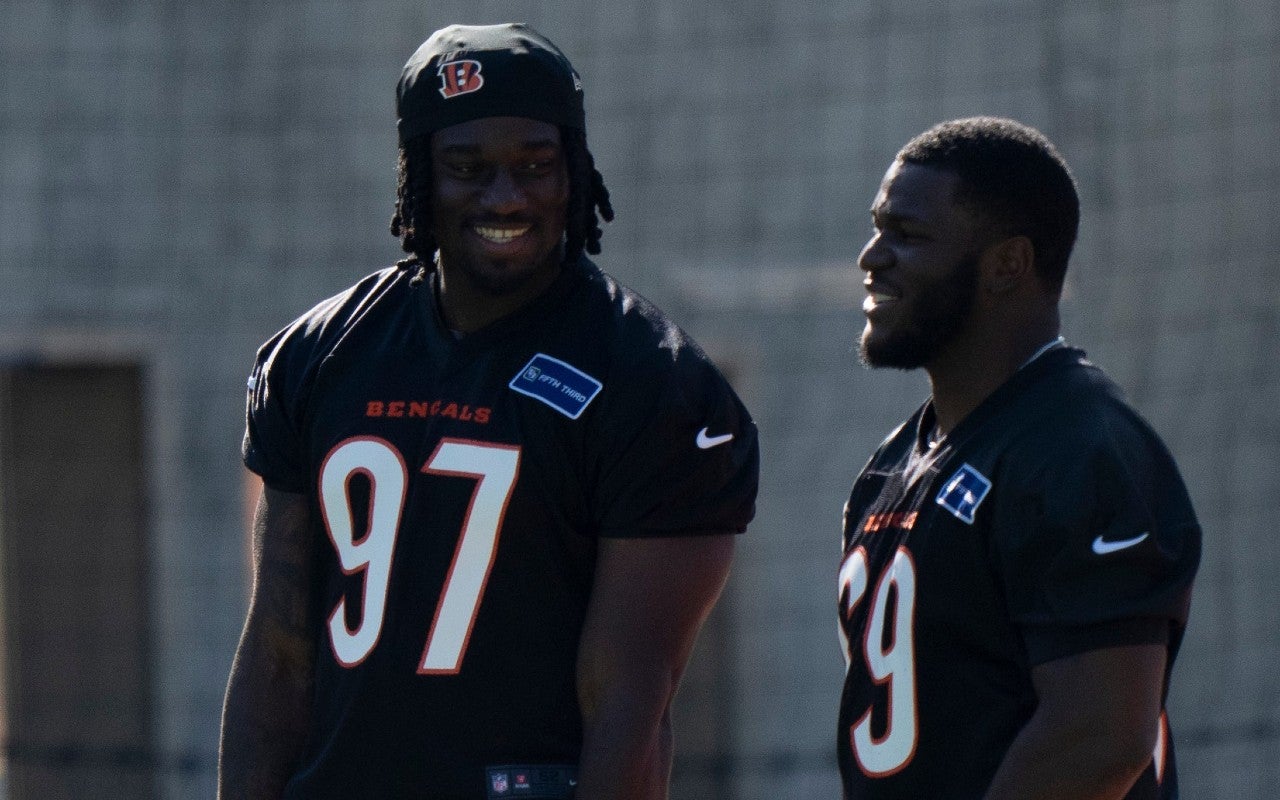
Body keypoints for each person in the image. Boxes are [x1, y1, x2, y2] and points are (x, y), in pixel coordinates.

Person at [218, 23, 758, 800]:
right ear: (418, 176)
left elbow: (631, 709)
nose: (505, 198)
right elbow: (277, 651)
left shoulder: (653, 382)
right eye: (467, 169)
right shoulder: (319, 355)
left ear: (573, 169)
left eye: (535, 166)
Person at [837, 116, 1200, 799]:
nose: (872, 256)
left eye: (907, 235)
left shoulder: (1080, 447)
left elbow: (1100, 737)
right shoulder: (890, 468)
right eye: (878, 226)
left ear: (1008, 263)